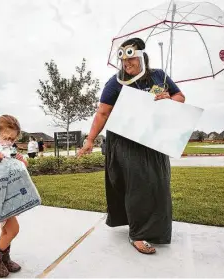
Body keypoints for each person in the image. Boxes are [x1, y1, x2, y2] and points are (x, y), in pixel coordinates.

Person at [78, 37, 185, 255]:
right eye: (124, 61)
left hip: (153, 141)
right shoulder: (115, 82)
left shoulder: (159, 76)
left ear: (142, 57)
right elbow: (103, 113)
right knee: (138, 186)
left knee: (159, 184)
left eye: (131, 59)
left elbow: (180, 97)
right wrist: (90, 139)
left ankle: (154, 229)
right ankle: (138, 234)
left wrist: (169, 99)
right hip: (125, 142)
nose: (127, 65)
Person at [0, 115, 28, 277]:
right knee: (13, 230)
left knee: (6, 232)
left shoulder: (10, 149)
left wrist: (22, 162)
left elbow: (19, 169)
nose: (9, 141)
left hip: (9, 196)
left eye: (12, 139)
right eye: (6, 137)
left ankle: (4, 257)